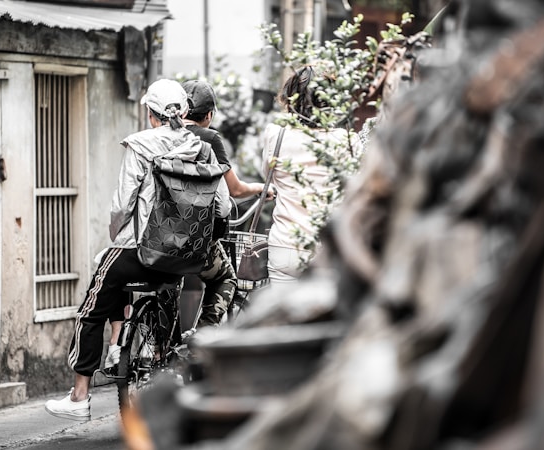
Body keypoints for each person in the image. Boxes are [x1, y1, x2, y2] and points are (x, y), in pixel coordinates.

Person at [45, 78, 230, 421]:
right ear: (185, 112)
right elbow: (222, 208)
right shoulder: (202, 148)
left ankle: (80, 394)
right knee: (143, 284)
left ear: (150, 113)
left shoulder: (141, 145)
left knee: (91, 305)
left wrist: (117, 236)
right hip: (183, 259)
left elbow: (121, 204)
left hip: (141, 251)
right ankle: (158, 359)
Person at [181, 79, 273, 326]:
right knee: (226, 279)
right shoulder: (209, 138)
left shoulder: (164, 134)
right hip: (195, 238)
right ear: (209, 114)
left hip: (157, 236)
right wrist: (261, 189)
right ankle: (198, 340)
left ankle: (157, 347)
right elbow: (234, 189)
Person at [260, 65, 359, 284]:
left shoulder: (275, 134)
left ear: (290, 99)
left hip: (284, 246)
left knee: (282, 315)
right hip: (324, 248)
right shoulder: (343, 140)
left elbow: (267, 175)